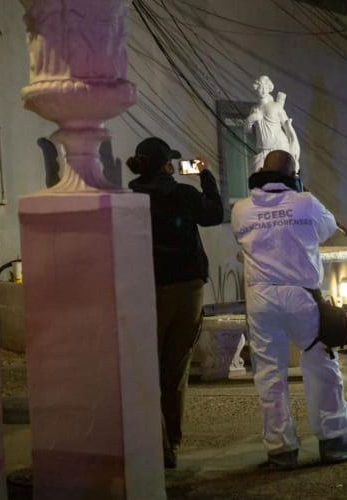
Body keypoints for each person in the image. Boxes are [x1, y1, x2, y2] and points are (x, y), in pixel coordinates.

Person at [231, 149, 347, 470]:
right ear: (294, 175)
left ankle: (280, 448)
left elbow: (241, 238)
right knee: (321, 362)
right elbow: (327, 228)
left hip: (261, 297)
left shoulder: (241, 209)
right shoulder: (306, 203)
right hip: (302, 296)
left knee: (269, 372)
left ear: (262, 170)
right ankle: (333, 439)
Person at [127, 137, 224, 469]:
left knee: (148, 368)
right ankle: (172, 444)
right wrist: (204, 175)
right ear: (167, 165)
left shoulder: (133, 201)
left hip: (148, 291)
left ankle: (158, 442)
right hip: (188, 289)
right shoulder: (183, 195)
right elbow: (214, 214)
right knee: (176, 368)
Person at [245, 75, 301, 172]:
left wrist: (294, 142)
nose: (263, 90)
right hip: (263, 150)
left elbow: (287, 125)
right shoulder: (254, 109)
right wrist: (251, 119)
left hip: (280, 147)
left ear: (269, 89)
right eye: (260, 87)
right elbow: (247, 130)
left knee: (282, 177)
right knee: (257, 176)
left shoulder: (276, 106)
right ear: (256, 88)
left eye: (265, 87)